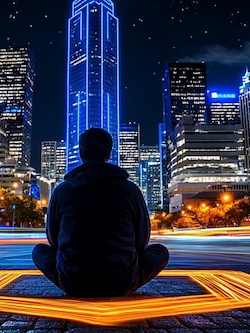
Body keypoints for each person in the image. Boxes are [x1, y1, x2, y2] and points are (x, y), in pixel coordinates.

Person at [32, 128, 169, 298]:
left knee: (39, 250)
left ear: (81, 153)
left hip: (73, 282)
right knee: (160, 251)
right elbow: (143, 239)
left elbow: (53, 239)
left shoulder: (61, 191)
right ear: (109, 154)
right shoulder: (130, 189)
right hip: (122, 281)